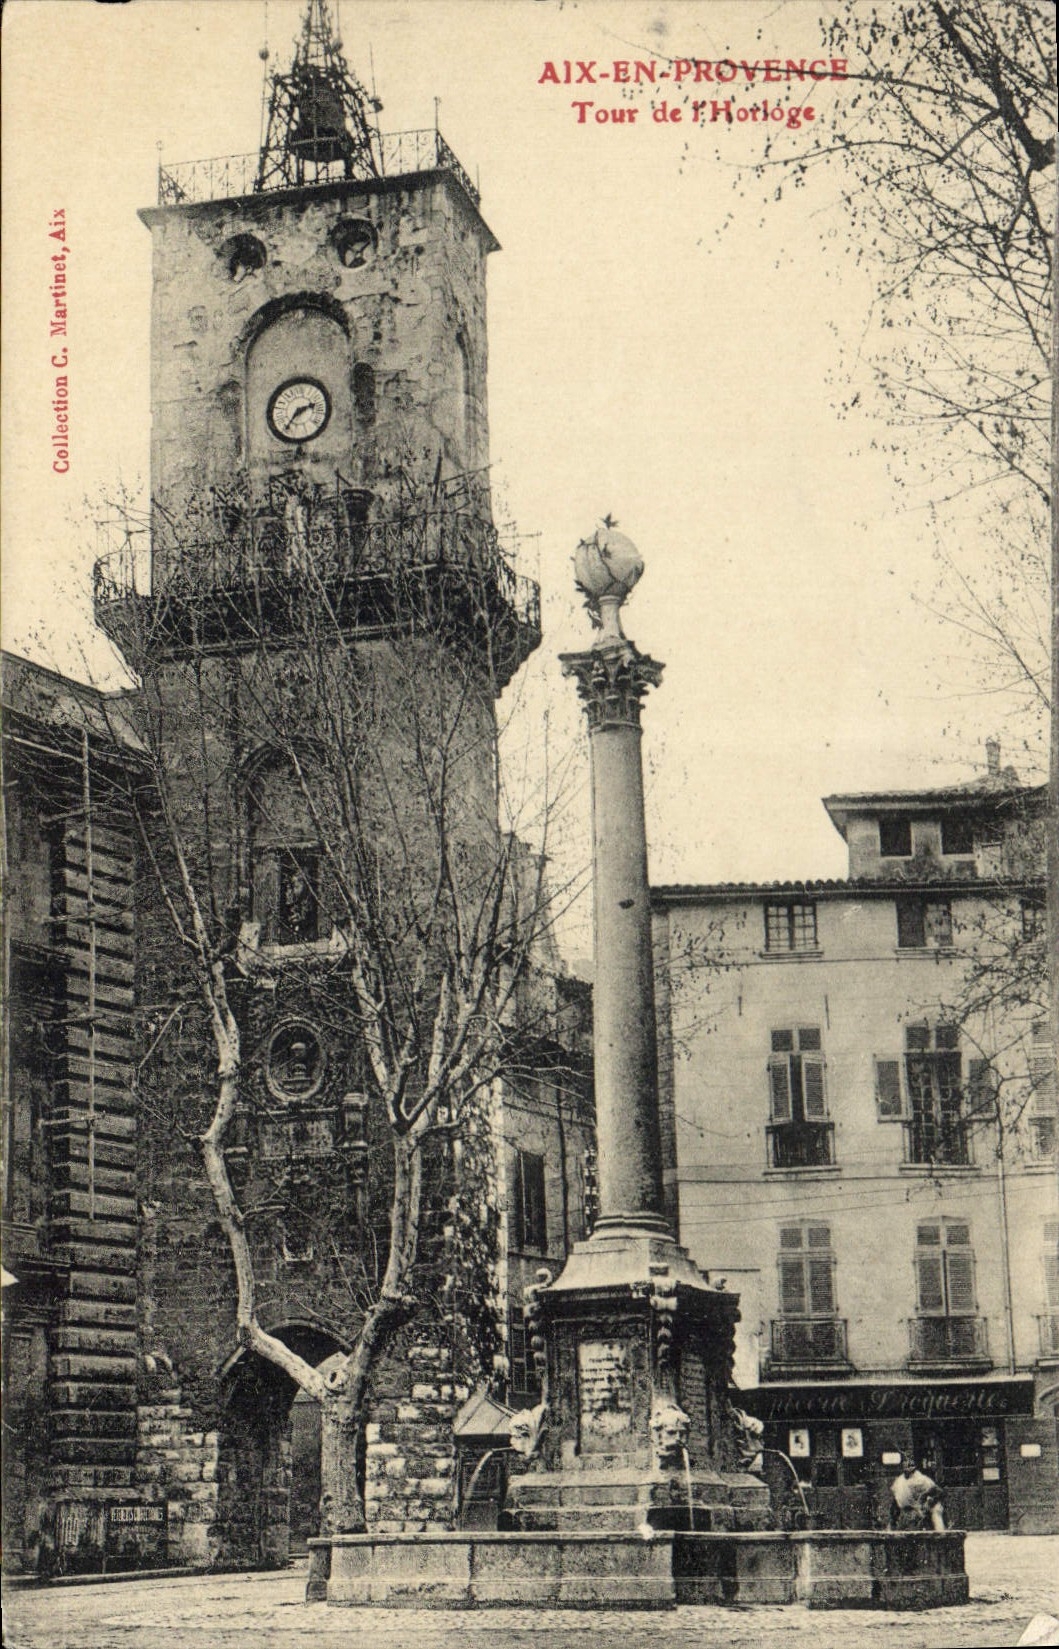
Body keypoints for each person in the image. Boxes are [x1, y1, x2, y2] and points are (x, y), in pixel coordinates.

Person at [890, 1457, 946, 1530]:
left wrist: (928, 1501)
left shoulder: (921, 1479)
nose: (908, 1471)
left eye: (910, 1469)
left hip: (923, 1509)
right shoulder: (899, 1481)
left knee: (936, 1513)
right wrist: (893, 1520)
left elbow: (940, 1492)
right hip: (908, 1512)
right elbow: (895, 1502)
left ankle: (940, 1532)